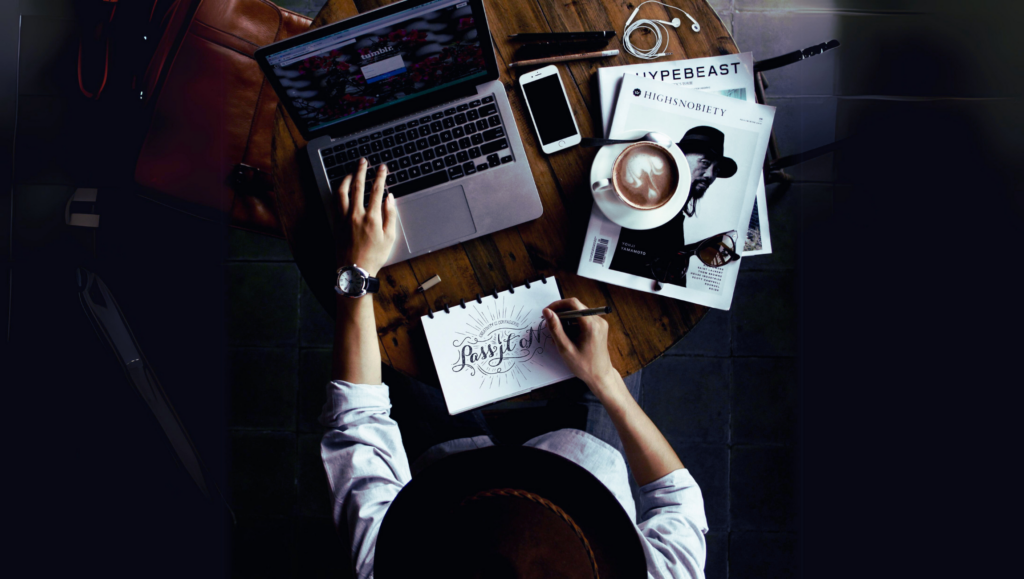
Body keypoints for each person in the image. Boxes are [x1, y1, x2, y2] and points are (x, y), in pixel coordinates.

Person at [320, 158, 709, 578]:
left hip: (449, 470)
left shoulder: (389, 564)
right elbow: (676, 498)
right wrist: (604, 380)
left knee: (402, 337)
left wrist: (357, 274)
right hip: (585, 458)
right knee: (613, 307)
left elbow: (356, 422)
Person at [609, 126, 737, 287]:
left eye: (716, 169)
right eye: (705, 163)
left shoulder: (675, 215)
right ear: (680, 157)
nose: (711, 175)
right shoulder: (649, 205)